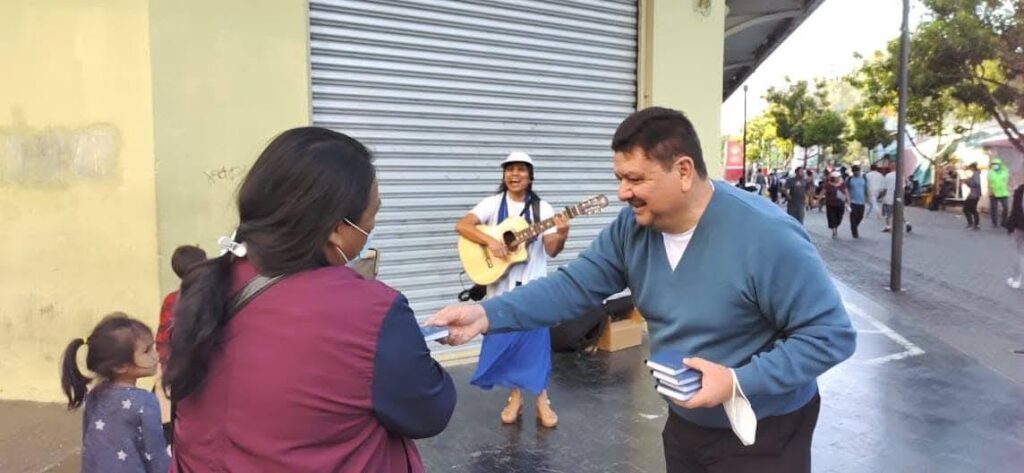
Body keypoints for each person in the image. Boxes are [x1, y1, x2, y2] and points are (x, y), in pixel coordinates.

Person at [430, 107, 856, 473]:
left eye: (635, 179)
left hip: (764, 430)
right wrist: (486, 315)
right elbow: (573, 287)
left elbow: (830, 335)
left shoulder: (766, 236)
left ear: (683, 171)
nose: (622, 193)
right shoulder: (632, 228)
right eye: (619, 178)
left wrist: (737, 381)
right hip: (686, 420)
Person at [165, 127, 455, 472]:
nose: (372, 226)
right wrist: (409, 353)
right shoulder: (369, 309)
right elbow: (429, 411)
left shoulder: (204, 285)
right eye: (373, 214)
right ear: (336, 229)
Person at [454, 151, 569, 428]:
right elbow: (462, 225)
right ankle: (514, 398)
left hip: (532, 290)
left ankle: (541, 399)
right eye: (509, 169)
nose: (514, 174)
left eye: (521, 169)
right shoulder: (492, 204)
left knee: (535, 345)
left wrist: (562, 234)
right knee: (506, 345)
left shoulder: (542, 209)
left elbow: (551, 250)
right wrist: (491, 242)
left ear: (531, 176)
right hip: (500, 292)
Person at [60, 313, 170, 473]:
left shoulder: (95, 395)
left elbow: (90, 447)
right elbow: (157, 456)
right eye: (147, 351)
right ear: (120, 366)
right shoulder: (145, 402)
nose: (156, 355)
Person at [156, 245, 207, 372]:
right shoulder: (211, 297)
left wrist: (166, 368)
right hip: (200, 365)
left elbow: (163, 338)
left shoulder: (171, 299)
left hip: (177, 366)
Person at [1006, 183, 1024, 289]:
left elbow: (1015, 210)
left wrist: (1010, 227)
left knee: (1020, 253)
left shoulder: (1020, 190)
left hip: (1021, 226)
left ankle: (1017, 280)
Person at [823, 171, 849, 239]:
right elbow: (823, 192)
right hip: (830, 204)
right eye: (836, 177)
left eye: (838, 177)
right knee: (831, 218)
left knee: (839, 218)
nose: (837, 178)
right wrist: (818, 200)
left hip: (840, 204)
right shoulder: (828, 185)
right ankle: (834, 231)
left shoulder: (842, 184)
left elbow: (846, 192)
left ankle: (835, 226)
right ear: (833, 178)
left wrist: (848, 201)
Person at [845, 165, 868, 238]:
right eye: (855, 171)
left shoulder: (864, 178)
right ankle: (854, 232)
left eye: (858, 171)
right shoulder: (849, 179)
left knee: (860, 216)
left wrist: (867, 197)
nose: (857, 173)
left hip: (862, 201)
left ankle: (854, 226)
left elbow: (866, 188)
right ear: (853, 171)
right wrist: (847, 200)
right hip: (852, 202)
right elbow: (846, 190)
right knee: (853, 217)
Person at [988, 158, 1010, 228]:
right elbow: (989, 183)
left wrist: (1010, 188)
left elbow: (1008, 181)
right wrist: (990, 191)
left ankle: (1004, 221)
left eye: (996, 164)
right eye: (993, 164)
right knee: (994, 208)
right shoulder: (990, 172)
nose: (994, 165)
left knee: (1006, 207)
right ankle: (994, 223)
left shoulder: (1004, 172)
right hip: (994, 192)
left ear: (999, 165)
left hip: (1003, 192)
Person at [963, 163, 982, 230]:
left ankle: (972, 224)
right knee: (972, 209)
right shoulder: (976, 174)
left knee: (967, 209)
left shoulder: (976, 175)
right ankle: (975, 224)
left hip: (974, 194)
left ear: (972, 168)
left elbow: (975, 184)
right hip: (974, 194)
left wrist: (967, 181)